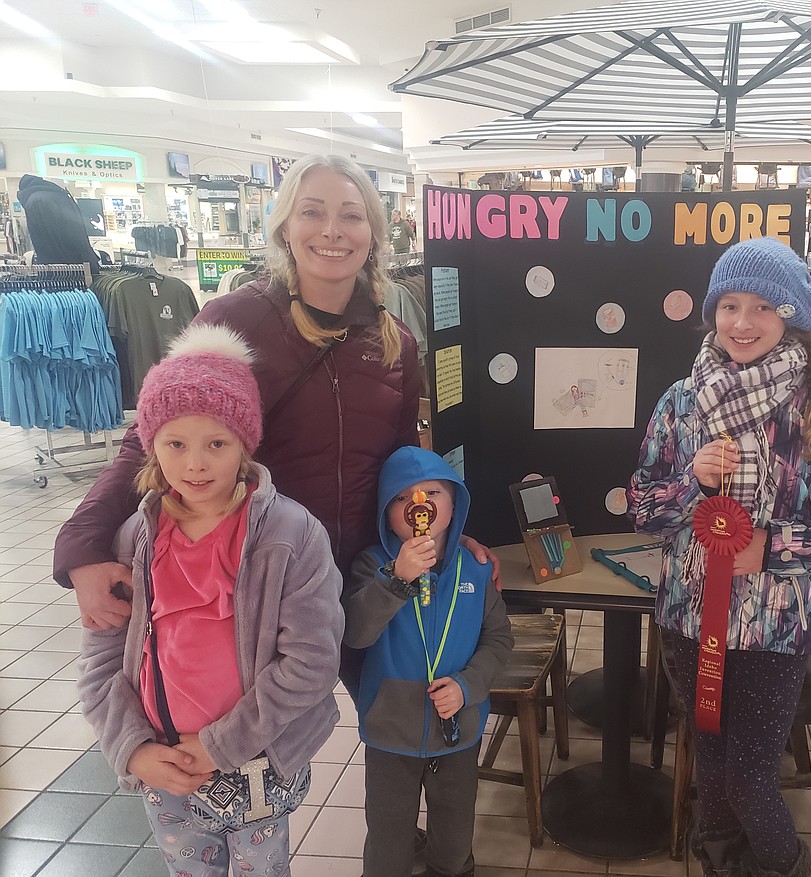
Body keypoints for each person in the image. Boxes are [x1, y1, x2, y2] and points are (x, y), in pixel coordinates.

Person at [53, 154, 497, 688]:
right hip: (255, 576)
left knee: (394, 729)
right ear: (285, 226)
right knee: (266, 737)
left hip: (366, 577)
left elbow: (406, 471)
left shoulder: (394, 343)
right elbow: (151, 444)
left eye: (352, 215)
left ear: (374, 234)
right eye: (313, 211)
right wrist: (84, 548)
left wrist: (447, 533)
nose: (332, 230)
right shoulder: (232, 323)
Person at [627, 237, 811, 877]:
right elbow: (641, 508)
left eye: (763, 309)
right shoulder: (681, 403)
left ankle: (784, 865)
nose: (742, 324)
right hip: (688, 620)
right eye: (729, 305)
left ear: (794, 320)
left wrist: (773, 548)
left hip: (775, 631)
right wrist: (692, 480)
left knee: (749, 776)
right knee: (711, 765)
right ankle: (721, 862)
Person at [77, 324, 342, 877]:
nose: (195, 464)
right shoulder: (134, 539)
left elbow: (312, 661)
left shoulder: (291, 535)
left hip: (258, 759)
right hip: (164, 764)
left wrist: (223, 744)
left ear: (244, 444)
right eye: (176, 443)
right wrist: (132, 748)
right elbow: (103, 659)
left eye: (216, 443)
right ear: (152, 445)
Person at [342, 445, 513, 877]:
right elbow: (356, 634)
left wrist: (469, 685)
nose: (418, 505)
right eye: (402, 498)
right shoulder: (371, 565)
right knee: (388, 837)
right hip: (389, 734)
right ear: (386, 511)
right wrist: (396, 579)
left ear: (454, 505)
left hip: (458, 731)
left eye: (433, 493)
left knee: (454, 838)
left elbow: (498, 640)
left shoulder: (475, 569)